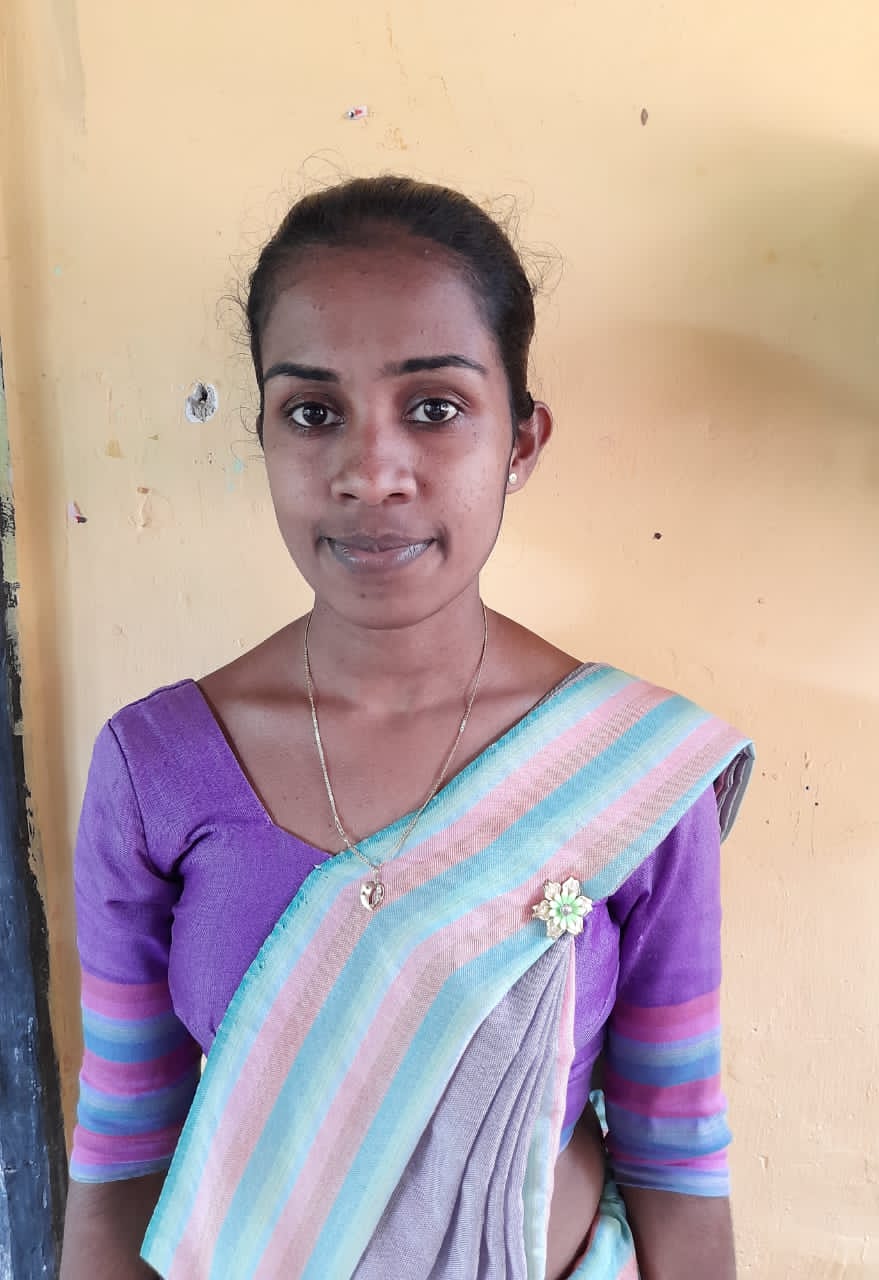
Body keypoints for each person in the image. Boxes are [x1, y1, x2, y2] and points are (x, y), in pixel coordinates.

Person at [60, 176, 753, 1279]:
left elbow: (675, 1151)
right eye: (313, 411)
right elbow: (124, 1144)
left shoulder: (631, 769)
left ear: (521, 441)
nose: (369, 473)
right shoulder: (159, 769)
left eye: (433, 407)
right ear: (265, 434)